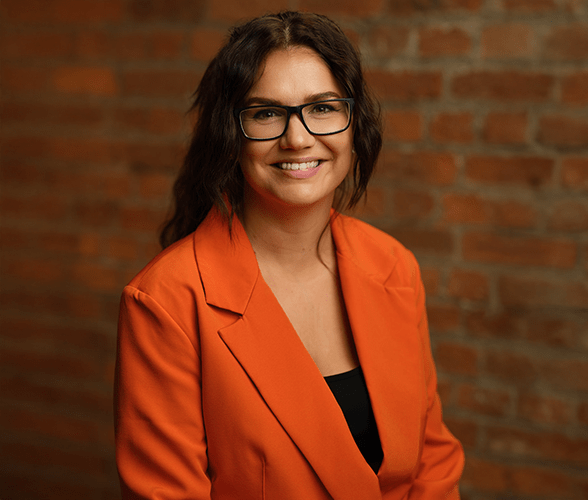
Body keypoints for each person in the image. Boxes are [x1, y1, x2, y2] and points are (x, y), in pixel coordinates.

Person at [114, 11, 464, 500]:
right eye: (266, 113)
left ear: (353, 122)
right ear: (229, 134)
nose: (297, 138)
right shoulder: (167, 301)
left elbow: (432, 464)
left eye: (322, 108)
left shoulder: (393, 265)